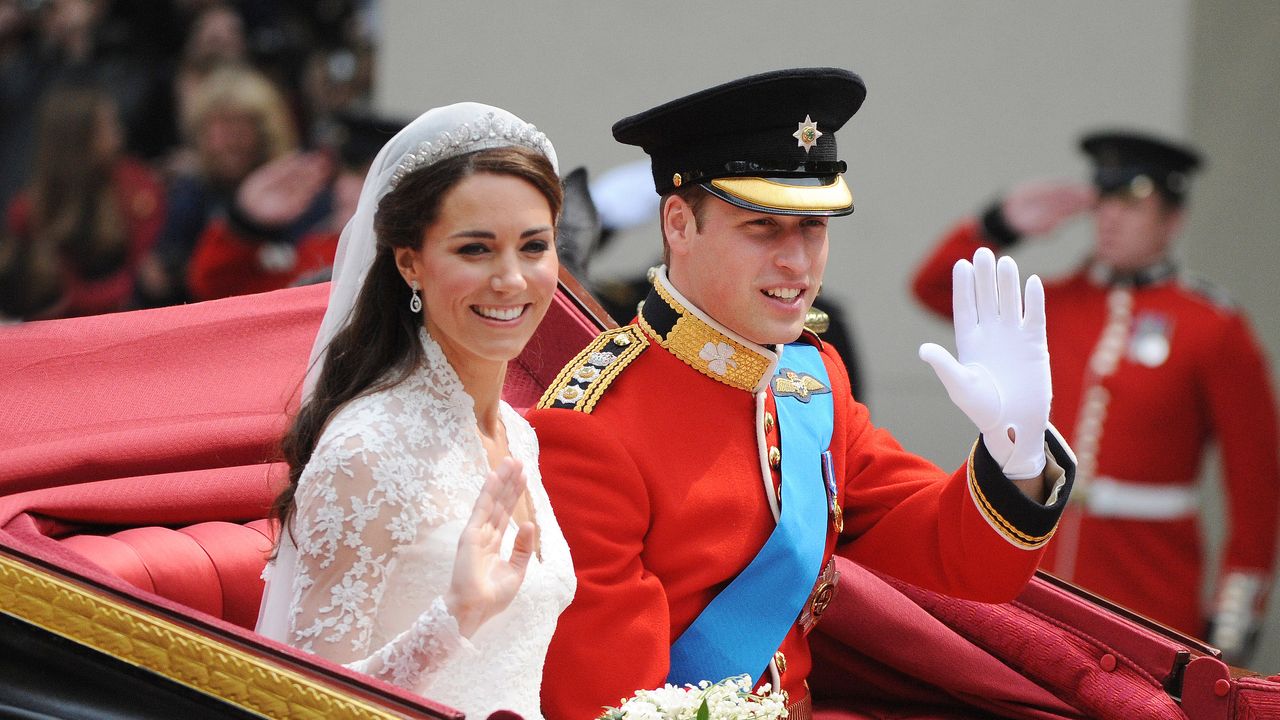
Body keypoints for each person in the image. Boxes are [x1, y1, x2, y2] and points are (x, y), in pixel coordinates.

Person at [527, 67, 1076, 719]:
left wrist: (1015, 457)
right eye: (763, 227)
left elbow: (962, 563)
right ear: (679, 224)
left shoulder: (813, 382)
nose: (797, 261)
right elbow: (604, 701)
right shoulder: (589, 427)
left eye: (813, 227)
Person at [253, 102, 575, 719]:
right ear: (410, 264)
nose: (511, 279)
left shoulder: (514, 433)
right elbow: (303, 706)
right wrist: (452, 619)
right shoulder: (367, 449)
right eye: (475, 250)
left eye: (534, 247)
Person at [911, 130, 1280, 665]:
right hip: (1035, 574)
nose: (1109, 217)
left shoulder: (1213, 326)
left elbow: (1255, 484)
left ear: (1173, 220)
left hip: (1150, 589)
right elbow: (930, 287)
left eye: (1133, 204)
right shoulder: (1051, 304)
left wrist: (1235, 614)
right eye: (1103, 200)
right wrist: (999, 225)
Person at [4, 82, 164, 319]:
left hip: (132, 319)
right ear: (79, 137)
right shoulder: (29, 209)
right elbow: (34, 294)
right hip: (60, 330)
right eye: (108, 126)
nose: (119, 134)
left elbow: (149, 274)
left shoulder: (135, 185)